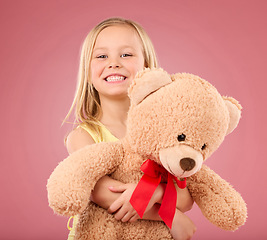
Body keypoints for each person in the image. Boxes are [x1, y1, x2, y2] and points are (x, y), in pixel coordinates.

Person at [64, 17, 196, 240]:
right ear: (87, 72)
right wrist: (170, 216)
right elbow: (105, 194)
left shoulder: (164, 133)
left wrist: (156, 191)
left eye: (126, 54)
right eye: (102, 56)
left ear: (146, 65)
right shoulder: (83, 136)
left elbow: (186, 197)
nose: (114, 63)